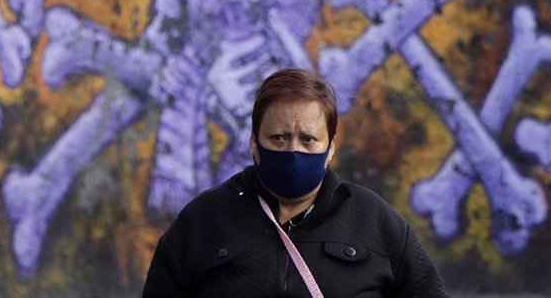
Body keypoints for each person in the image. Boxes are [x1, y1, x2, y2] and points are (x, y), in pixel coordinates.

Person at [142, 67, 450, 297]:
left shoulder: (375, 223)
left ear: (330, 148)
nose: (292, 151)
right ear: (253, 143)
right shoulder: (202, 222)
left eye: (308, 140)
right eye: (278, 138)